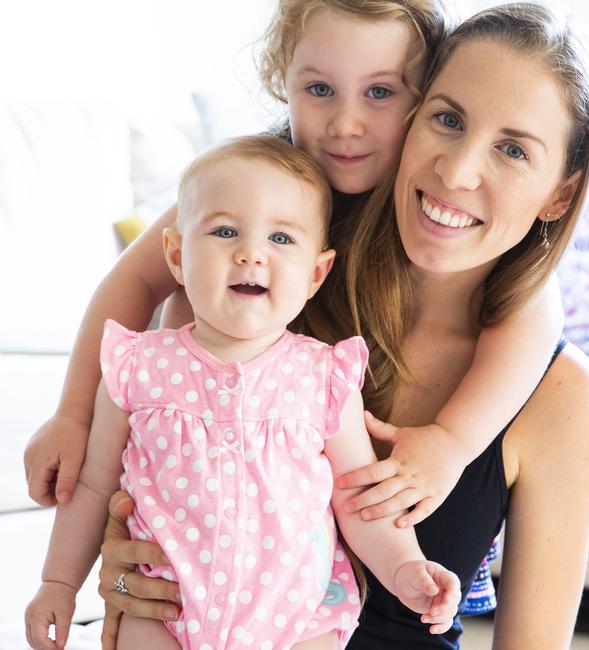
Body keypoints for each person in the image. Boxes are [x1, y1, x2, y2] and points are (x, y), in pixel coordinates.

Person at [96, 4, 589, 649]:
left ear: (560, 196)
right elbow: (137, 543)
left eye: (513, 150)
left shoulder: (558, 397)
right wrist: (122, 585)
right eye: (447, 119)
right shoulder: (256, 303)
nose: (455, 171)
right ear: (410, 120)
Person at [24, 136, 461, 650]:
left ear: (317, 273)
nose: (251, 253)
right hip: (163, 610)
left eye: (281, 239)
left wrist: (404, 565)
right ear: (177, 256)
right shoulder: (138, 366)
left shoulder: (323, 377)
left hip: (296, 619)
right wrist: (58, 583)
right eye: (225, 231)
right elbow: (94, 487)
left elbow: (356, 494)